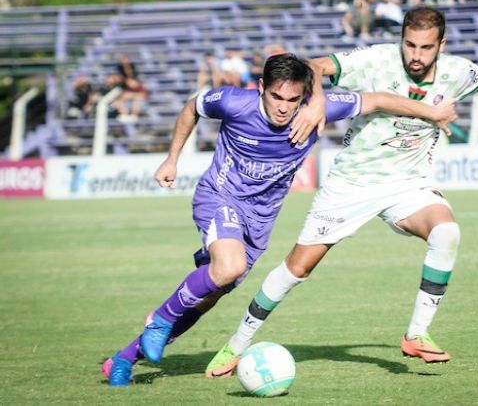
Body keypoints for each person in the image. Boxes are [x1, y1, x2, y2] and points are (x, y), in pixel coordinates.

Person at [204, 5, 478, 378]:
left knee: (447, 232)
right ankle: (236, 345)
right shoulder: (375, 60)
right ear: (401, 39)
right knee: (297, 268)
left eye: (426, 48)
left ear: (441, 44)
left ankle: (417, 333)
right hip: (352, 184)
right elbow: (312, 65)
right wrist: (316, 104)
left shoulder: (460, 72)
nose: (416, 56)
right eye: (409, 45)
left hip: (409, 184)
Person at [100, 53, 459, 386]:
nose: (285, 108)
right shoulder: (233, 102)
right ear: (260, 88)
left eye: (294, 99)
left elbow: (379, 100)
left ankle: (124, 358)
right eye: (276, 97)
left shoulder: (315, 110)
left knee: (208, 295)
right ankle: (160, 319)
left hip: (260, 220)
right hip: (221, 197)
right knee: (227, 267)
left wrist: (433, 113)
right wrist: (171, 159)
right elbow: (191, 107)